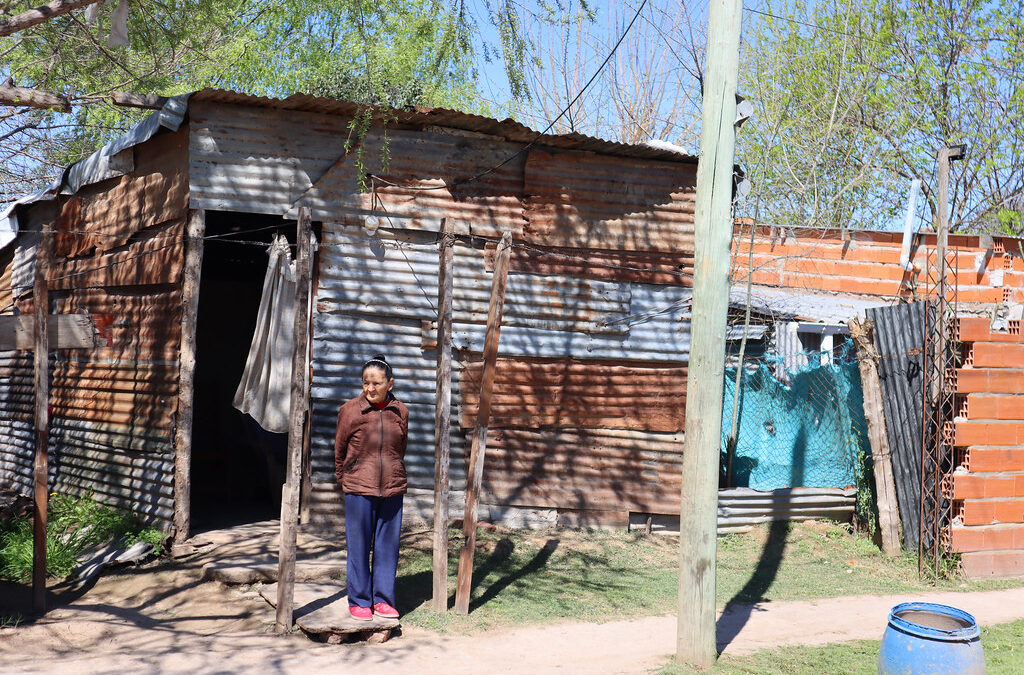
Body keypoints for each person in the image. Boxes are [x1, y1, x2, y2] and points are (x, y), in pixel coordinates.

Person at [334, 354, 409, 621]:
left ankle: (383, 600)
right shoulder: (350, 410)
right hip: (358, 489)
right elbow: (340, 450)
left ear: (390, 383)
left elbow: (401, 448)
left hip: (392, 488)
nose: (370, 388)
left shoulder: (400, 411)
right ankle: (360, 600)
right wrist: (347, 478)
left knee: (387, 547)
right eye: (366, 383)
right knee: (359, 546)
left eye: (376, 383)